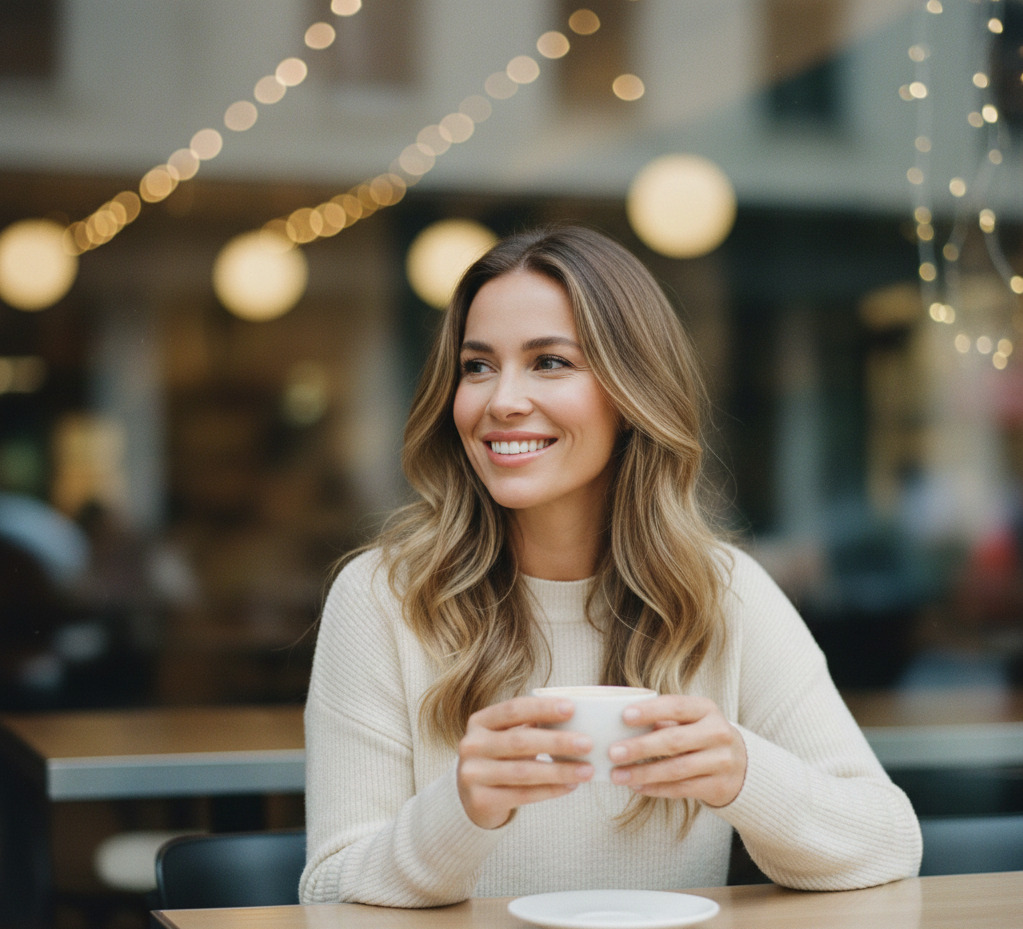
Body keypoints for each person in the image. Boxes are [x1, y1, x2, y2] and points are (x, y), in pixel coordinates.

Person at [300, 225, 921, 907]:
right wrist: (462, 806)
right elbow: (328, 889)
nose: (500, 399)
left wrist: (743, 772)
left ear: (631, 396)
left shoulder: (723, 592)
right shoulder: (384, 597)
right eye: (477, 366)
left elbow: (889, 842)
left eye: (549, 362)